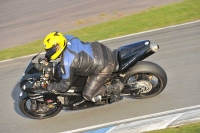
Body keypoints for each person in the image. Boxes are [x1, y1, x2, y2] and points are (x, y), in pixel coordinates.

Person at [43, 31, 116, 103]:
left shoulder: (67, 62)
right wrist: (48, 56)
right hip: (99, 48)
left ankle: (112, 88)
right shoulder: (67, 37)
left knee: (87, 95)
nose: (48, 52)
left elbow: (64, 86)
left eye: (50, 51)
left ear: (58, 47)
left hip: (105, 65)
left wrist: (51, 87)